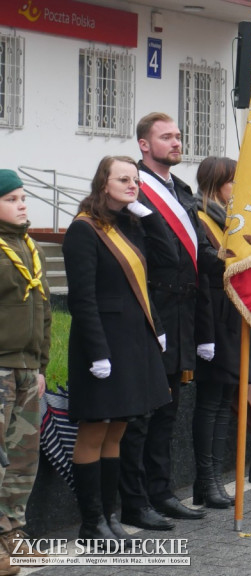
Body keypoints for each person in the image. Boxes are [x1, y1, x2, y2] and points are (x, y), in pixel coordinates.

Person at [63, 157, 171, 544]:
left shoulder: (128, 225)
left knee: (118, 431)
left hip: (133, 342)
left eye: (136, 180)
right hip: (103, 344)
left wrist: (150, 216)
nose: (132, 185)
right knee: (94, 431)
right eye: (123, 179)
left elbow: (167, 259)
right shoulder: (83, 230)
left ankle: (109, 517)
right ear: (102, 183)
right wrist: (97, 353)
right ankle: (91, 522)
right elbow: (82, 298)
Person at [121, 113, 217, 530]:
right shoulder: (133, 187)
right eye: (166, 137)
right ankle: (135, 501)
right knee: (142, 416)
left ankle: (161, 492)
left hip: (184, 314)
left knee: (167, 412)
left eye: (178, 136)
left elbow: (196, 255)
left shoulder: (181, 190)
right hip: (153, 311)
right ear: (144, 145)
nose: (176, 142)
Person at [192, 157, 251, 507]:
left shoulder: (230, 217)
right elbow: (207, 261)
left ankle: (213, 479)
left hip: (233, 312)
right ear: (218, 184)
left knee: (223, 401)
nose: (240, 188)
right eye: (235, 181)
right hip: (212, 316)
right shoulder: (201, 217)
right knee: (211, 401)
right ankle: (207, 479)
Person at [0, 170, 50, 571]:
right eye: (12, 199)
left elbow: (46, 314)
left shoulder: (31, 247)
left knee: (22, 458)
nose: (22, 205)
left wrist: (40, 366)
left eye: (23, 197)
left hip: (26, 369)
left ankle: (12, 533)